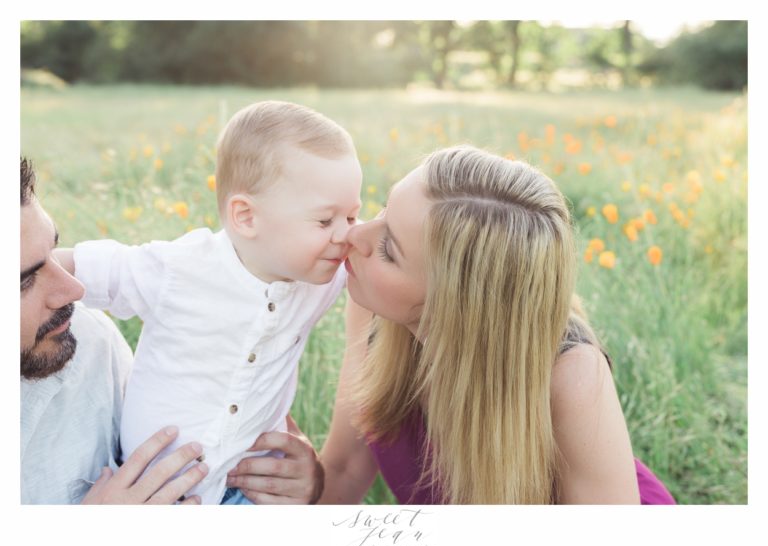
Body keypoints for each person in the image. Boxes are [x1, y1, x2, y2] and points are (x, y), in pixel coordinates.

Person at [226, 145, 676, 504]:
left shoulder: (571, 375)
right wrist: (308, 485)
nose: (354, 236)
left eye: (389, 249)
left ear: (455, 308)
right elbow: (344, 472)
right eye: (382, 212)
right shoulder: (374, 309)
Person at [55, 101, 362, 504]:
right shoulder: (181, 269)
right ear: (246, 217)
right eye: (325, 221)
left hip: (251, 489)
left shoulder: (326, 274)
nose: (345, 235)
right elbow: (89, 267)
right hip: (151, 493)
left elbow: (395, 253)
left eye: (352, 217)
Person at [20, 157, 208, 504]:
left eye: (54, 252)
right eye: (25, 280)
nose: (75, 290)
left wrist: (295, 474)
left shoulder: (87, 339)